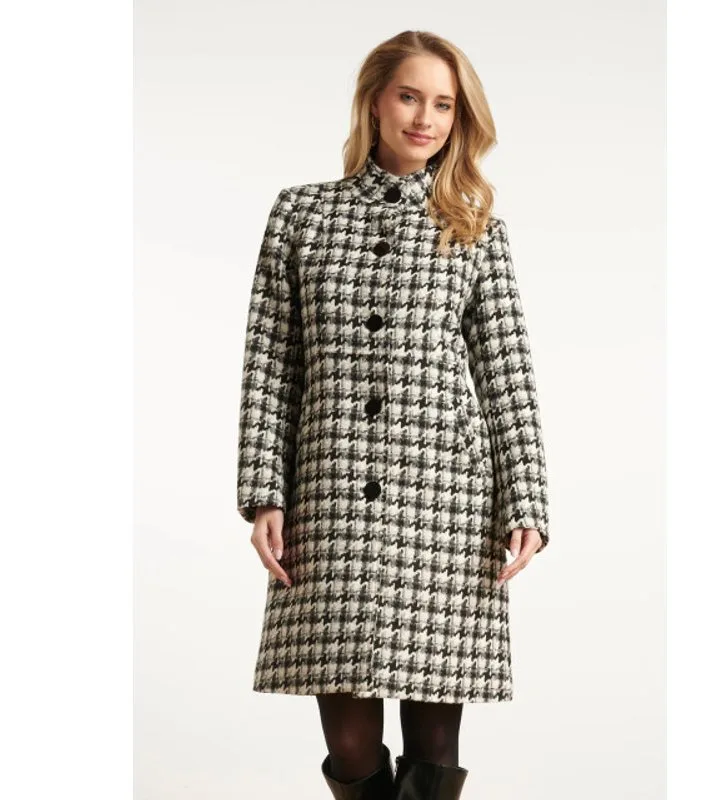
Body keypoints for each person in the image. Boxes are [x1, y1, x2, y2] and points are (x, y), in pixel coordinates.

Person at [236, 29, 550, 800]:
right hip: (330, 494)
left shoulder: (474, 230)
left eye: (443, 105)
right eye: (410, 97)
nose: (425, 119)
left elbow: (507, 375)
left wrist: (527, 502)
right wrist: (264, 493)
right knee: (349, 742)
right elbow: (272, 363)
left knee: (435, 738)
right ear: (375, 100)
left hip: (446, 500)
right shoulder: (303, 215)